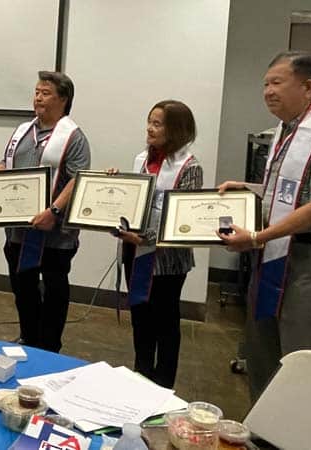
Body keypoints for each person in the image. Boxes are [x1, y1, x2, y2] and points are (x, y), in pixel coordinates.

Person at [218, 51, 311, 400]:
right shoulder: (287, 130)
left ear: (308, 86)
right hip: (277, 252)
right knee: (262, 347)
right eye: (265, 84)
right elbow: (289, 192)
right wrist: (250, 189)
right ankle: (263, 429)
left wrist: (256, 237)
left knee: (302, 354)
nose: (267, 91)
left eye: (277, 83)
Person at [0, 71, 91, 353]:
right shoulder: (23, 131)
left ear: (63, 99)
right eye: (36, 91)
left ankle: (49, 346)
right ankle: (29, 337)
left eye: (45, 92)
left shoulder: (73, 137)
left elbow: (77, 179)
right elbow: (8, 163)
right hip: (19, 228)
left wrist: (53, 210)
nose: (38, 97)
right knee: (22, 286)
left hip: (55, 232)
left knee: (53, 289)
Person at [108, 100, 203, 388]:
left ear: (176, 129)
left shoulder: (189, 166)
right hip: (135, 251)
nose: (150, 128)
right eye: (149, 121)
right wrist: (114, 186)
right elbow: (135, 201)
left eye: (158, 123)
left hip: (167, 260)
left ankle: (163, 385)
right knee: (140, 316)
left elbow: (181, 219)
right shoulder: (141, 159)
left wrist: (146, 238)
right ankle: (141, 374)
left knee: (165, 323)